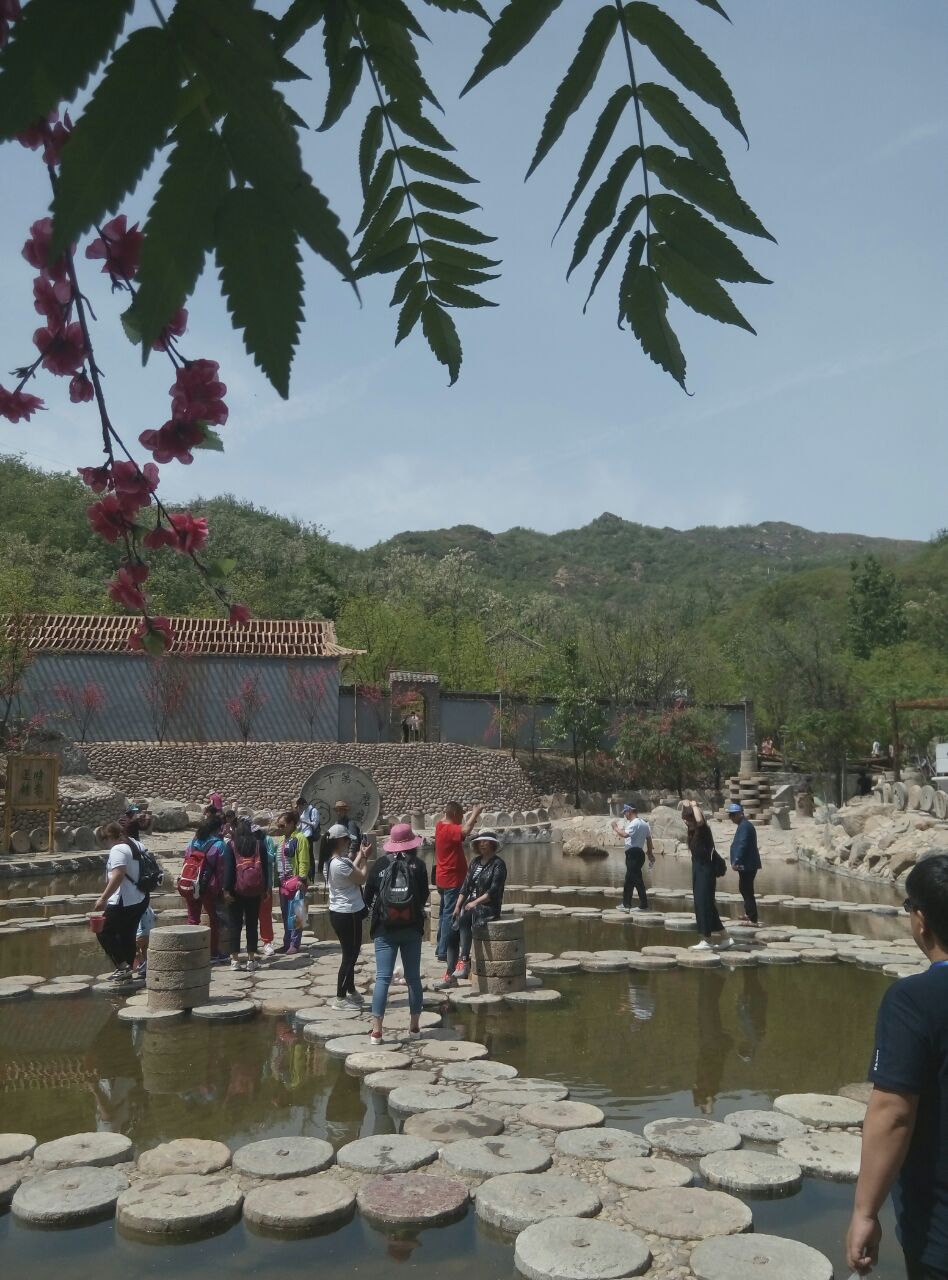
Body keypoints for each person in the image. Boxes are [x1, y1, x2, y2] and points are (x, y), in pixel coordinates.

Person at [847, 854, 948, 1280]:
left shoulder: (913, 1001)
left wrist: (865, 1212)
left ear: (920, 919)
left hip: (939, 1229)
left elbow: (893, 1113)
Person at [363, 822, 429, 1045]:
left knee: (382, 978)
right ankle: (414, 1028)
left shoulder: (379, 865)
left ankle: (377, 1032)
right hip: (412, 928)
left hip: (384, 929)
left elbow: (367, 897)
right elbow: (423, 896)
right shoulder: (418, 866)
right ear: (412, 844)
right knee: (413, 979)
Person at [318, 824, 369, 1010]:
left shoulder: (331, 862)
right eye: (347, 840)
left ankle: (351, 989)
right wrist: (365, 860)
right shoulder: (340, 864)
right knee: (350, 956)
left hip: (339, 913)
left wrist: (360, 856)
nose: (349, 844)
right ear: (340, 841)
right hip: (349, 913)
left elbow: (350, 870)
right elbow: (361, 877)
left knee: (349, 953)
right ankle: (340, 997)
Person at [91, 821, 150, 980]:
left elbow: (118, 874)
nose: (105, 844)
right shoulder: (136, 844)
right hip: (141, 897)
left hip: (124, 899)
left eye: (104, 840)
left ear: (109, 837)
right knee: (127, 934)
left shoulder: (118, 849)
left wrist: (103, 898)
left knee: (103, 931)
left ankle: (122, 966)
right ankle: (128, 969)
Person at [433, 800, 483, 981]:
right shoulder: (448, 830)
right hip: (452, 880)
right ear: (454, 814)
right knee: (450, 916)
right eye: (460, 816)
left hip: (442, 878)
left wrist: (469, 818)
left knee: (444, 913)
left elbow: (461, 829)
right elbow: (464, 831)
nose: (462, 819)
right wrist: (475, 813)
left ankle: (441, 948)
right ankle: (445, 951)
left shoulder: (440, 826)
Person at [681, 801, 731, 952]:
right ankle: (726, 938)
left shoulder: (703, 831)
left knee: (703, 904)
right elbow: (691, 819)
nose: (685, 822)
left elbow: (700, 820)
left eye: (688, 820)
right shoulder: (692, 833)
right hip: (699, 871)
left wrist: (694, 804)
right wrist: (684, 805)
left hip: (705, 872)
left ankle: (707, 939)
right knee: (706, 905)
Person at [222, 817, 269, 972]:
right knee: (252, 924)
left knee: (234, 925)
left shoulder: (231, 845)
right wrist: (265, 889)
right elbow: (265, 868)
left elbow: (229, 869)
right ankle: (251, 959)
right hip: (255, 891)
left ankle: (235, 960)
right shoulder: (259, 845)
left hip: (236, 890)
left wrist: (227, 889)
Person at [181, 814, 229, 961]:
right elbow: (222, 869)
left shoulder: (192, 843)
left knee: (192, 919)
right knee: (214, 919)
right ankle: (213, 953)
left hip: (191, 883)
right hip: (209, 887)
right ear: (216, 829)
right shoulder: (219, 845)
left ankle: (192, 952)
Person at [611, 802, 657, 911]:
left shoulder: (634, 823)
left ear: (630, 811)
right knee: (629, 880)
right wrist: (650, 853)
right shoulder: (644, 824)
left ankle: (644, 905)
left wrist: (615, 827)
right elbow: (649, 839)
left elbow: (624, 834)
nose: (625, 815)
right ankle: (626, 904)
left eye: (625, 812)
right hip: (638, 853)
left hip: (633, 854)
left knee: (637, 879)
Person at [277, 810, 311, 955]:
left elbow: (304, 859)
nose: (280, 828)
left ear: (291, 824)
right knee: (285, 914)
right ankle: (286, 942)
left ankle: (295, 943)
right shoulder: (282, 840)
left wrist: (302, 878)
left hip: (296, 881)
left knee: (297, 913)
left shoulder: (300, 838)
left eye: (282, 825)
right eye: (279, 826)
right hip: (283, 882)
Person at [728, 802, 761, 926]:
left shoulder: (745, 826)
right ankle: (748, 914)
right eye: (730, 815)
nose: (731, 818)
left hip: (748, 865)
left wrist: (736, 861)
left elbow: (742, 845)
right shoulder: (743, 825)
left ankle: (753, 919)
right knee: (744, 889)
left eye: (732, 815)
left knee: (747, 890)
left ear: (739, 814)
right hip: (746, 865)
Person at [255, 817, 277, 958]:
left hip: (266, 883)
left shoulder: (267, 840)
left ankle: (268, 941)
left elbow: (272, 857)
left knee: (265, 914)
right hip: (251, 884)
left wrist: (259, 852)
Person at [133, 903, 156, 978]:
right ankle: (146, 968)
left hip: (141, 932)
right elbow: (155, 917)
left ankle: (143, 965)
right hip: (150, 932)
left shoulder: (136, 906)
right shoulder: (149, 907)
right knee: (145, 950)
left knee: (133, 949)